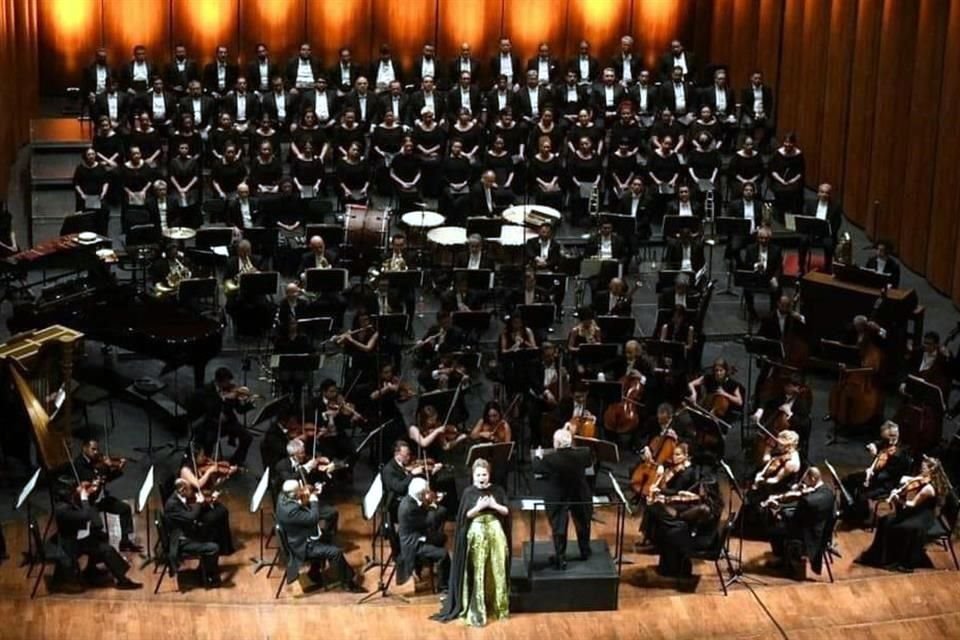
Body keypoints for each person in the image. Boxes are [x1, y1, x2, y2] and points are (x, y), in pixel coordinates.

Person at [433, 459, 510, 626]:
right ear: (473, 476)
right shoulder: (469, 492)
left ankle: (498, 605)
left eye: (484, 474)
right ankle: (478, 607)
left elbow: (506, 511)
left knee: (497, 568)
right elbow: (465, 516)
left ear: (489, 474)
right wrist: (478, 507)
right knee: (478, 569)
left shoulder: (497, 490)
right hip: (477, 534)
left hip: (495, 533)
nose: (481, 477)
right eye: (478, 475)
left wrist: (494, 505)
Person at [857, 456, 949, 572]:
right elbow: (913, 480)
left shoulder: (928, 489)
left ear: (931, 470)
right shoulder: (926, 478)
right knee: (884, 520)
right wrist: (904, 484)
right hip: (918, 511)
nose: (921, 470)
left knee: (896, 526)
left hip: (922, 516)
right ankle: (880, 555)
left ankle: (894, 559)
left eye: (924, 468)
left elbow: (911, 504)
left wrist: (898, 499)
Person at [275, 479, 364, 592]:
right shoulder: (291, 512)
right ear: (294, 493)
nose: (301, 490)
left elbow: (297, 503)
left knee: (328, 537)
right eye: (299, 490)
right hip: (302, 547)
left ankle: (314, 572)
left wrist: (304, 493)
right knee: (336, 553)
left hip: (296, 537)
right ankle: (348, 584)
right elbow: (313, 518)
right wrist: (313, 500)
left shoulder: (282, 497)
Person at [52, 484, 142, 592]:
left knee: (101, 537)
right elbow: (85, 516)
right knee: (105, 549)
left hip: (76, 538)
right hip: (70, 547)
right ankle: (122, 580)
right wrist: (84, 498)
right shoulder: (63, 510)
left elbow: (94, 520)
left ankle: (92, 571)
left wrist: (88, 496)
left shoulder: (66, 504)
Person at [533, 428, 593, 569]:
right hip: (579, 494)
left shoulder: (550, 459)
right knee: (583, 522)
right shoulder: (583, 454)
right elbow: (589, 462)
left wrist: (538, 456)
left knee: (559, 526)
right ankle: (585, 551)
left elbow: (537, 468)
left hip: (558, 497)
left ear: (558, 444)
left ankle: (561, 558)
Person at [763, 466, 835, 580]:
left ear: (812, 479)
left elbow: (795, 520)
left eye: (805, 479)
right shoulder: (829, 492)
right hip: (823, 531)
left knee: (774, 530)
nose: (803, 483)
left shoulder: (807, 501)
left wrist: (779, 511)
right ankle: (786, 557)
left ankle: (783, 559)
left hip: (809, 535)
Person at [68, 440, 141, 551]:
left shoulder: (97, 461)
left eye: (97, 449)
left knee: (125, 509)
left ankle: (125, 542)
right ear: (84, 448)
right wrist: (105, 468)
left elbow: (106, 479)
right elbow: (92, 479)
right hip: (89, 502)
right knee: (97, 525)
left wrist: (118, 468)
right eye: (93, 449)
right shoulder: (79, 464)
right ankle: (96, 552)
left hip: (101, 499)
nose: (97, 452)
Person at [842, 421, 912, 525]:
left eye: (891, 437)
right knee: (846, 481)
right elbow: (877, 444)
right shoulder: (886, 442)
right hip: (878, 475)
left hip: (887, 483)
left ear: (896, 434)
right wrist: (873, 446)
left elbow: (889, 474)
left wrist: (869, 476)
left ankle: (861, 518)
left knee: (861, 491)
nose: (888, 441)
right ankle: (848, 512)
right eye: (886, 438)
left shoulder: (900, 453)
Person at [163, 479, 221, 587]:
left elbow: (188, 511)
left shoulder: (177, 498)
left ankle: (205, 568)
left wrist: (204, 503)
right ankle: (210, 577)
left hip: (184, 532)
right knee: (214, 548)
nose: (192, 492)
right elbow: (190, 517)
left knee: (212, 531)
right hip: (181, 541)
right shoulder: (172, 505)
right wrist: (199, 503)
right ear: (182, 490)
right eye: (190, 490)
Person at [397, 477, 451, 592]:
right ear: (421, 494)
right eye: (426, 491)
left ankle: (443, 572)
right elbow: (428, 521)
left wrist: (430, 503)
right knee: (444, 554)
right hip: (413, 543)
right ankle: (443, 586)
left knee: (442, 537)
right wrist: (433, 504)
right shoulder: (409, 508)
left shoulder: (411, 499)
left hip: (418, 533)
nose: (428, 492)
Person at [192, 366, 254, 466]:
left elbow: (239, 410)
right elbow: (209, 409)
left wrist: (249, 404)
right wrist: (223, 399)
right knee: (208, 441)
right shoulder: (207, 390)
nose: (229, 384)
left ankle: (236, 461)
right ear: (219, 382)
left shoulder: (232, 389)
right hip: (212, 423)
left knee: (247, 437)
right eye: (226, 382)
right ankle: (206, 465)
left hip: (229, 422)